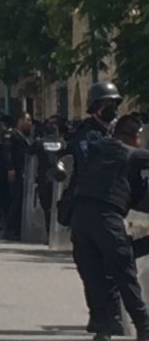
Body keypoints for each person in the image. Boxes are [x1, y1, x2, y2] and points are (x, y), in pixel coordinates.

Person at [72, 115, 149, 341]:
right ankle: (144, 327)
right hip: (106, 217)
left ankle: (103, 329)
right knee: (124, 272)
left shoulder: (97, 149)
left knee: (95, 275)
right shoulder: (129, 153)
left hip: (80, 218)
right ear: (134, 137)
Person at [65, 81, 126, 337]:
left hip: (111, 205)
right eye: (106, 104)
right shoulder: (85, 135)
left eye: (113, 104)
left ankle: (110, 316)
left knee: (112, 264)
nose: (111, 108)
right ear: (95, 107)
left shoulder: (112, 134)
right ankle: (99, 316)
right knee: (90, 265)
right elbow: (85, 161)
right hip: (85, 206)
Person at [29, 117, 66, 235]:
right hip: (60, 178)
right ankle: (59, 233)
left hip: (44, 178)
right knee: (59, 205)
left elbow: (29, 151)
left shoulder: (40, 142)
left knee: (47, 207)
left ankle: (50, 233)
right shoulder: (62, 143)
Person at [2, 112, 32, 241]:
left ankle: (18, 229)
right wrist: (10, 169)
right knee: (16, 201)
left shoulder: (24, 136)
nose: (30, 123)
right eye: (28, 120)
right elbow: (7, 153)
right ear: (20, 120)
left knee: (20, 201)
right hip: (16, 172)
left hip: (24, 171)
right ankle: (10, 230)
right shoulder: (12, 135)